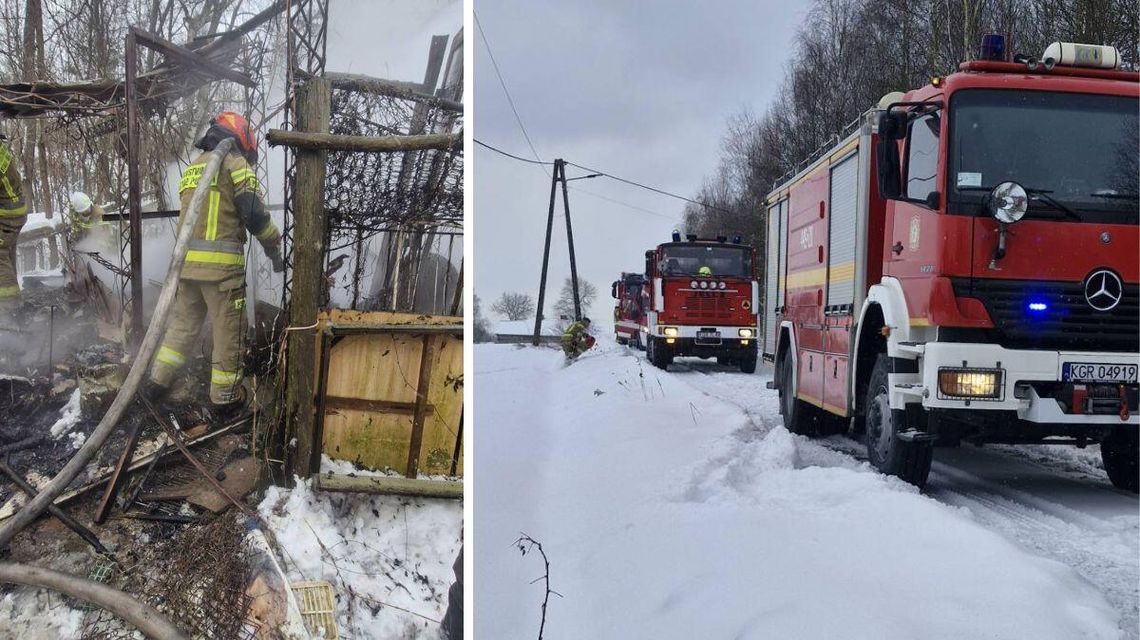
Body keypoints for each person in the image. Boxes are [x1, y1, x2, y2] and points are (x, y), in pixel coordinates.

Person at [147, 112, 284, 413]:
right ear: (242, 137)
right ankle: (225, 398)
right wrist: (274, 245)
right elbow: (255, 215)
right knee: (229, 331)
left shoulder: (194, 167)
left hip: (187, 267)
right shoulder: (236, 164)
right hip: (221, 272)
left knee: (183, 325)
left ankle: (158, 380)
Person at [0, 134, 27, 323]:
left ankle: (10, 309)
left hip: (7, 214)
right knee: (7, 255)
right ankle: (14, 304)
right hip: (14, 211)